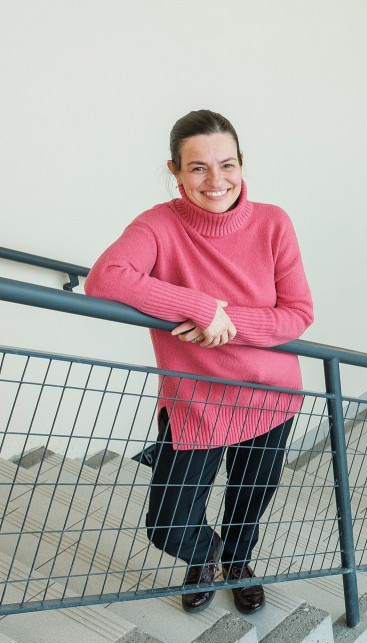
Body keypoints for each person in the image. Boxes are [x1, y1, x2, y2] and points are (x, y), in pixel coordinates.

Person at [86, 109, 314, 613]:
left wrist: (226, 321)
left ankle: (237, 561)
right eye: (198, 167)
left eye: (227, 164)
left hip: (269, 394)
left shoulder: (273, 222)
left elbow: (298, 314)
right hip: (195, 399)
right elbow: (104, 278)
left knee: (249, 500)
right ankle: (205, 552)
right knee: (168, 523)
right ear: (175, 170)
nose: (216, 181)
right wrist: (199, 306)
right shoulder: (158, 225)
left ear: (241, 163)